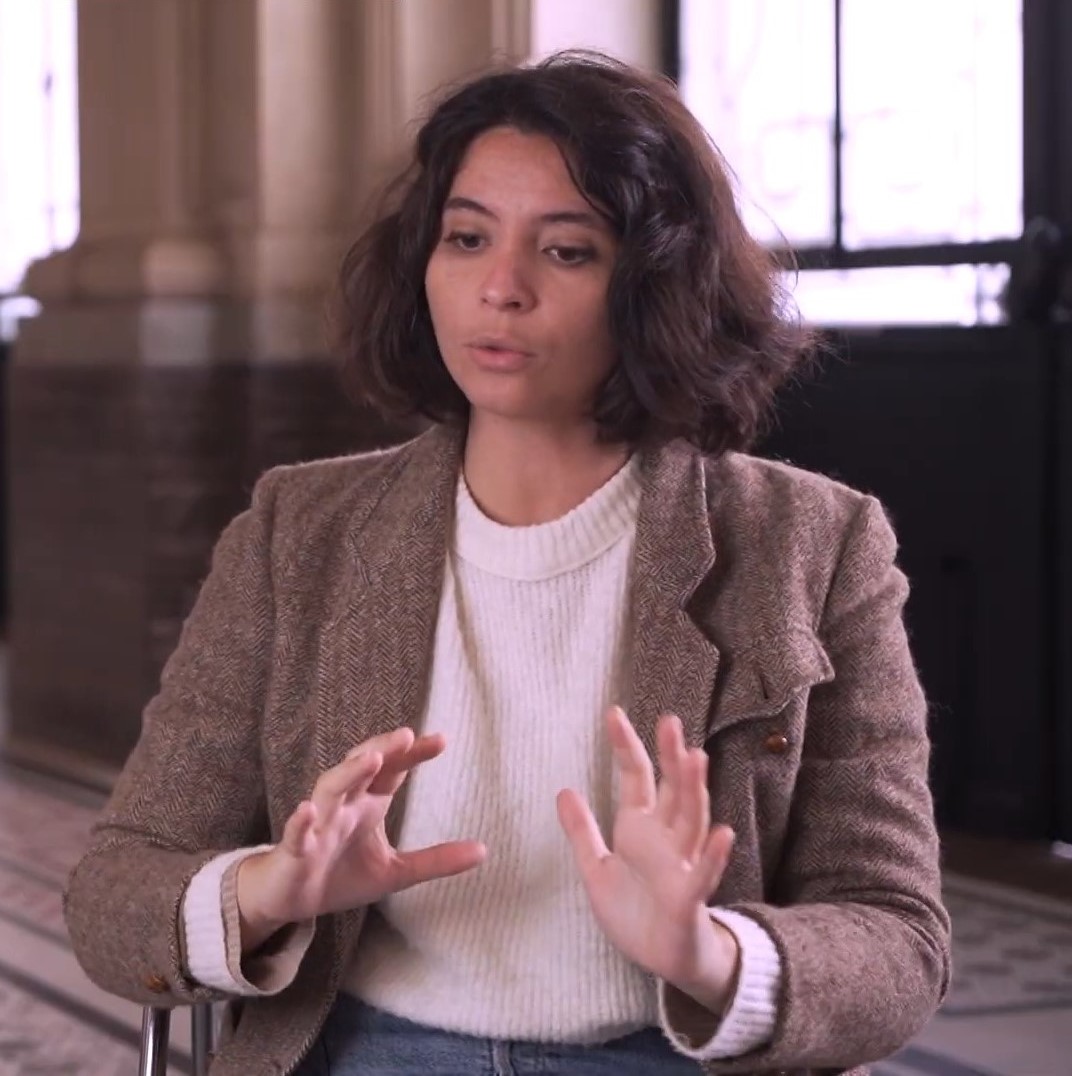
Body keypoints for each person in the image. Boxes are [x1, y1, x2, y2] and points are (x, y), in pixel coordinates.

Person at [64, 50, 950, 1076]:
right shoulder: (295, 532)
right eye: (467, 237)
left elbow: (899, 937)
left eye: (567, 251)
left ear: (655, 284)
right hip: (363, 1048)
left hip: (671, 1051)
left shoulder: (812, 543)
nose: (500, 288)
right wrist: (270, 887)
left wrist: (710, 953)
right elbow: (113, 894)